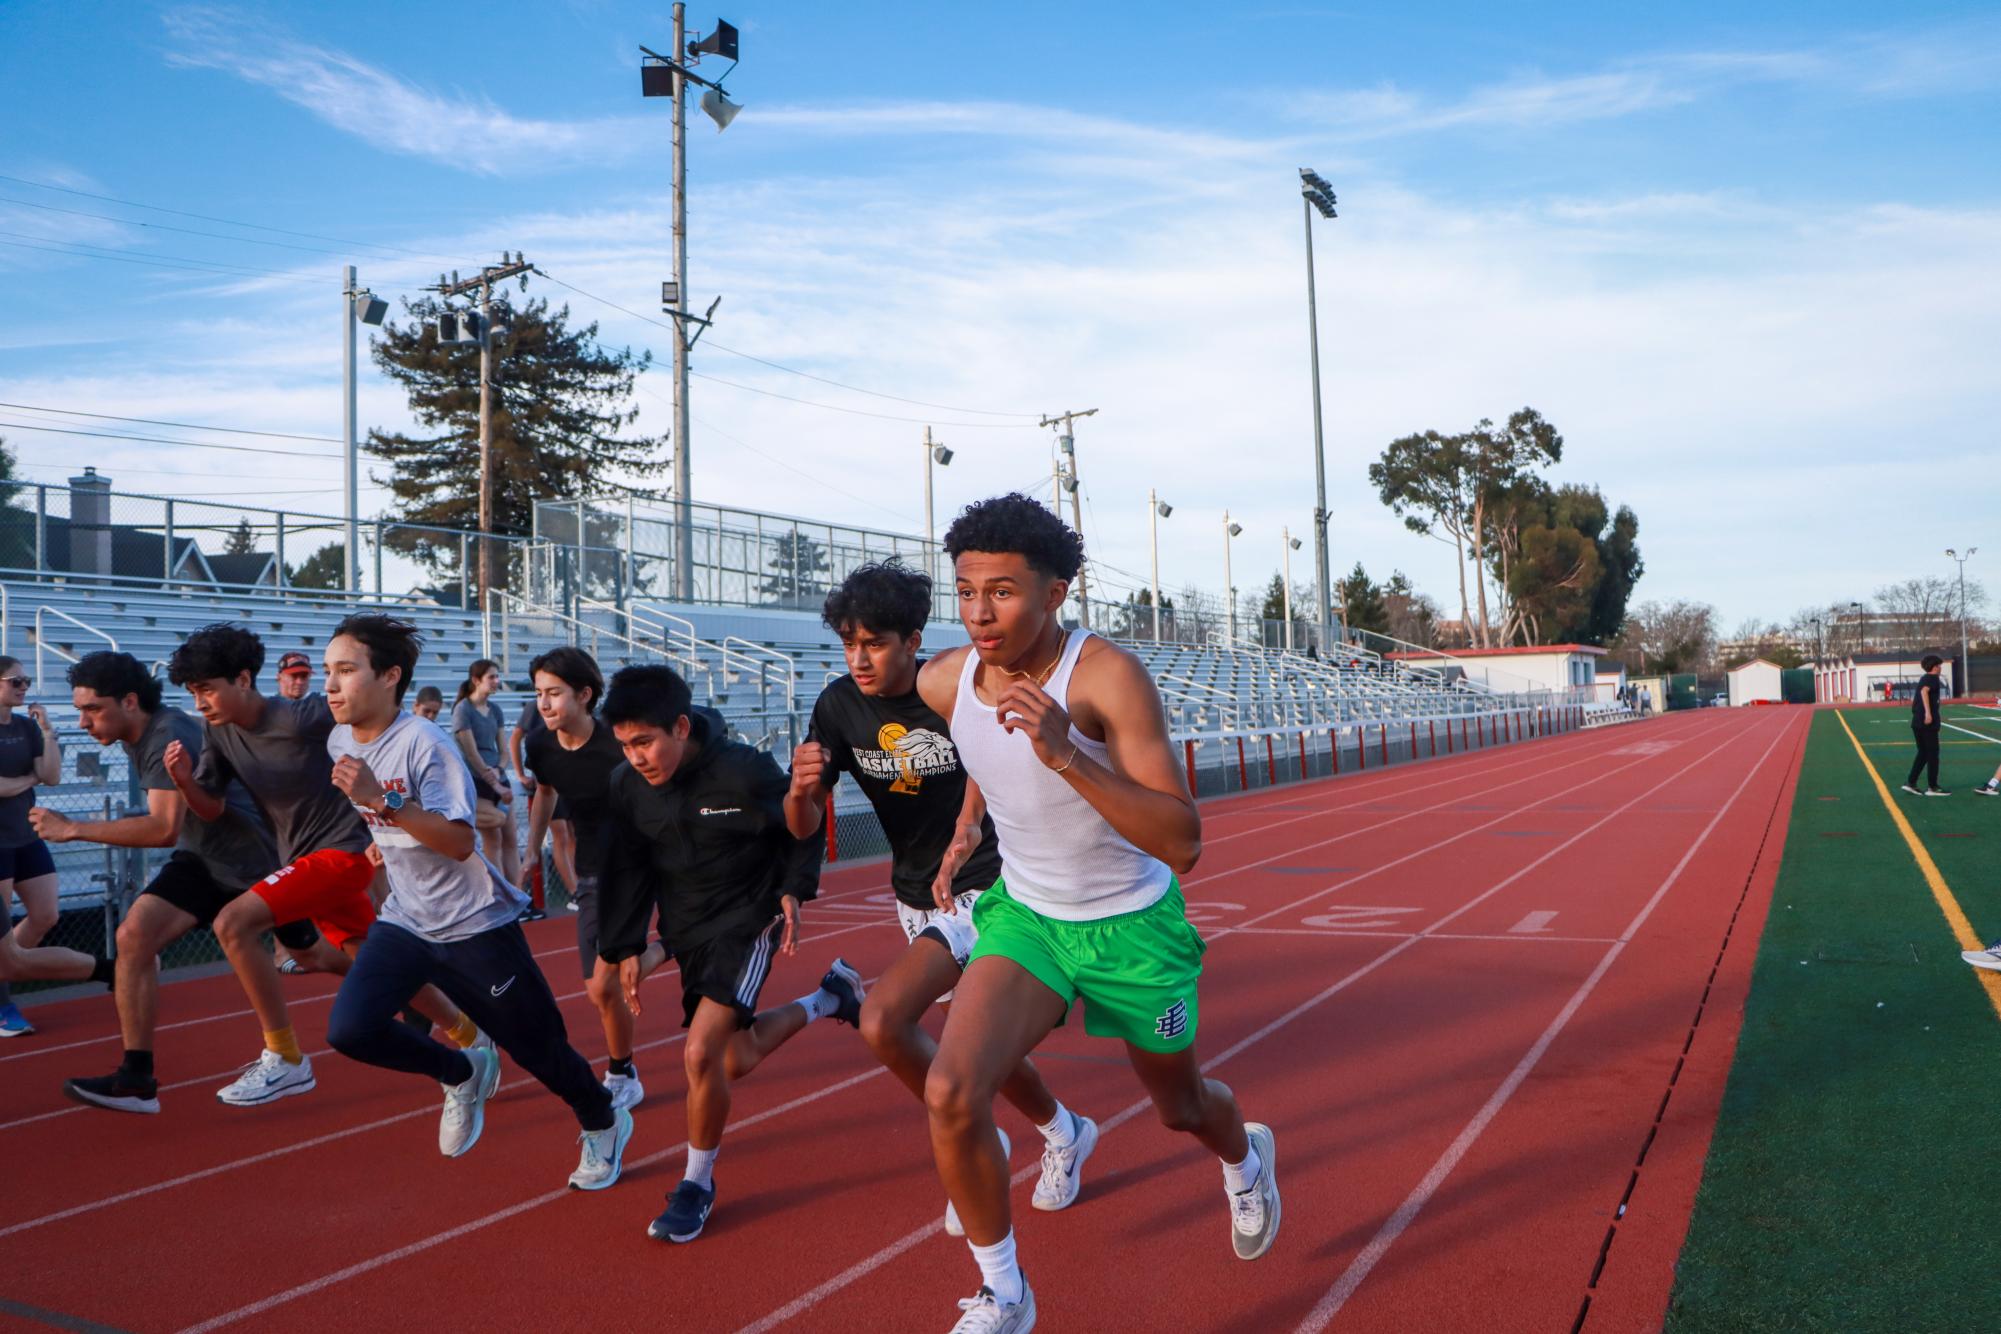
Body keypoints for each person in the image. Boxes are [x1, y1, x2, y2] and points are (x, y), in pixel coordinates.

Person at [915, 495, 1278, 1332]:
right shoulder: (943, 679)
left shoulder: (1106, 677)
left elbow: (1181, 840)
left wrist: (1067, 753)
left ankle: (1245, 1159)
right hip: (1028, 917)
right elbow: (979, 747)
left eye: (1002, 591)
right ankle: (1004, 1295)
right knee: (950, 1088)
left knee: (1180, 1108)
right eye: (966, 590)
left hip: (1132, 927)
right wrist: (965, 822)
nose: (978, 612)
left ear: (1056, 592)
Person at [784, 561, 1097, 1237]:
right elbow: (804, 827)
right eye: (848, 643)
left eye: (873, 643)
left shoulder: (952, 691)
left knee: (884, 1019)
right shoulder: (838, 706)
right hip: (913, 895)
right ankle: (1063, 1129)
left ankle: (974, 1143)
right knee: (986, 1049)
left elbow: (1010, 760)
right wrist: (800, 791)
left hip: (992, 885)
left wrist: (971, 822)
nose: (858, 658)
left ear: (912, 641)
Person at [321, 614, 629, 1188]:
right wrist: (379, 842)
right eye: (327, 672)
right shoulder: (339, 737)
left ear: (390, 676)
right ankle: (460, 1069)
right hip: (408, 920)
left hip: (474, 925)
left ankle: (602, 1119)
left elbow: (461, 842)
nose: (331, 685)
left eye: (345, 671)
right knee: (350, 1030)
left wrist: (382, 807)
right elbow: (382, 815)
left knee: (540, 1051)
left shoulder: (426, 744)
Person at [163, 622, 486, 1107]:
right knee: (373, 960)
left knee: (233, 923)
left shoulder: (303, 716)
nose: (199, 703)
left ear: (245, 680)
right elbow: (210, 807)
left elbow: (374, 723)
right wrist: (186, 783)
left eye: (207, 689)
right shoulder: (218, 732)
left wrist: (392, 804)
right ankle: (471, 1037)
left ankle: (286, 1056)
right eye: (192, 692)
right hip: (302, 856)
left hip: (344, 851)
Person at [598, 664, 859, 1243]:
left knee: (700, 1054)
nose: (637, 757)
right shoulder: (626, 786)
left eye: (645, 742)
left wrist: (794, 887)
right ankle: (829, 998)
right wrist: (627, 947)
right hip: (687, 929)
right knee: (733, 1059)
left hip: (749, 918)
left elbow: (803, 823)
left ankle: (696, 1184)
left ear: (682, 727)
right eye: (625, 745)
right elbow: (628, 868)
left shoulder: (743, 772)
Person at [46, 652, 290, 1113]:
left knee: (316, 955)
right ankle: (136, 1077)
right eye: (80, 711)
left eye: (93, 709)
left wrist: (71, 828)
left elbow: (162, 828)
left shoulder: (168, 734)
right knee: (134, 936)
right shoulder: (138, 733)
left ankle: (419, 990)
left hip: (253, 863)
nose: (83, 722)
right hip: (205, 860)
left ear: (131, 701)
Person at [523, 647, 659, 1109]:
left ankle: (620, 1075)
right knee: (598, 992)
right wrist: (531, 850)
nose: (544, 704)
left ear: (584, 695)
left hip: (638, 868)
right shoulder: (540, 745)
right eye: (539, 693)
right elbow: (544, 794)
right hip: (592, 875)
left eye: (554, 693)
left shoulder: (616, 746)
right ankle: (626, 1070)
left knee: (605, 985)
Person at [0, 658, 66, 1036]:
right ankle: (3, 1003)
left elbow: (52, 776)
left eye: (25, 680)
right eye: (15, 681)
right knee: (1, 930)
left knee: (45, 915)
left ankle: (6, 970)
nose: (24, 686)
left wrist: (48, 729)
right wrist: (29, 777)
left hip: (25, 835)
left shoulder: (26, 726)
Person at [452, 660, 527, 914]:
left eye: (496, 677)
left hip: (496, 777)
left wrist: (499, 770)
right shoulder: (463, 709)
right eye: (492, 677)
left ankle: (517, 895)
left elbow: (503, 750)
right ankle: (499, 895)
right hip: (478, 782)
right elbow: (472, 755)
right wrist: (493, 780)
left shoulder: (494, 709)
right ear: (477, 680)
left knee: (511, 840)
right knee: (492, 839)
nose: (496, 681)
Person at [514, 696, 576, 912]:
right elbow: (515, 737)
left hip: (569, 781)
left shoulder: (577, 713)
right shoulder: (533, 711)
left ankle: (578, 889)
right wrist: (520, 774)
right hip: (550, 781)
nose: (545, 702)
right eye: (540, 692)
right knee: (561, 835)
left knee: (571, 835)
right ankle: (573, 891)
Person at [1902, 654, 1949, 797]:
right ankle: (1933, 787)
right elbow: (1924, 692)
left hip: (1917, 721)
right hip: (1926, 722)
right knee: (1933, 754)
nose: (1941, 668)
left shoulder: (1924, 678)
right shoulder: (1933, 678)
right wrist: (1928, 714)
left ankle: (1911, 783)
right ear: (1935, 667)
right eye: (1939, 665)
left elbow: (1921, 693)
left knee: (1923, 753)